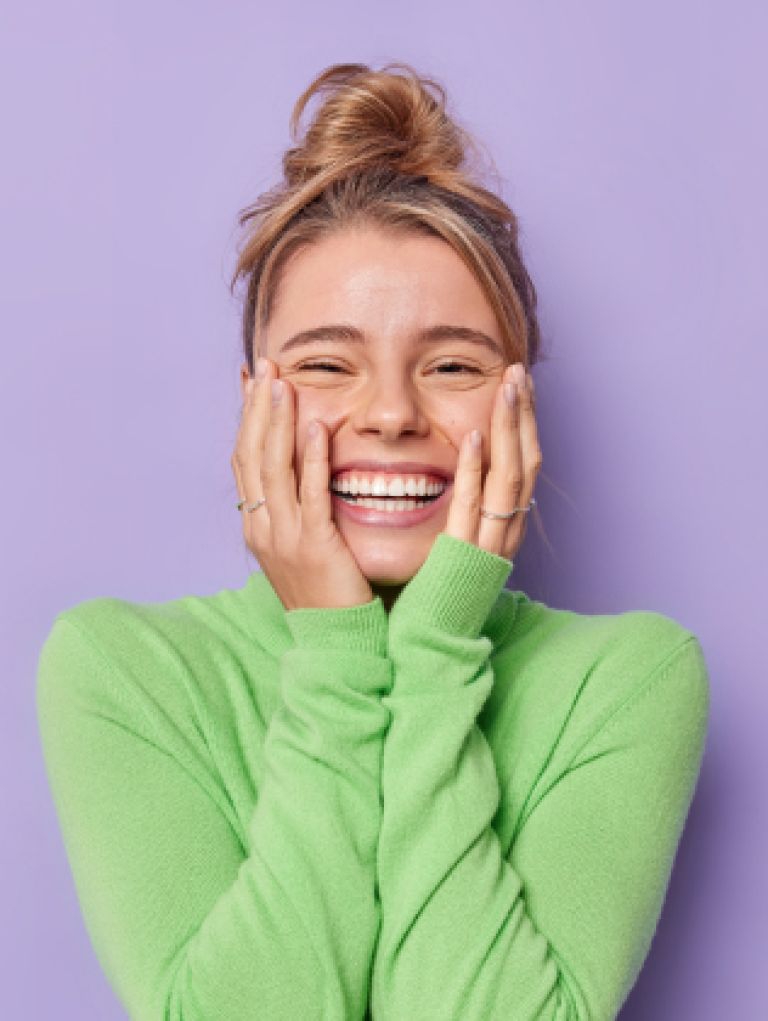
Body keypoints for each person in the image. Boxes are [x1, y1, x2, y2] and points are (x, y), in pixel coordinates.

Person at [36, 62, 710, 1020]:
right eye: (326, 363)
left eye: (452, 365)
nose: (391, 413)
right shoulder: (126, 670)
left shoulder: (627, 681)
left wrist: (434, 644)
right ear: (252, 407)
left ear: (519, 402)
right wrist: (337, 656)